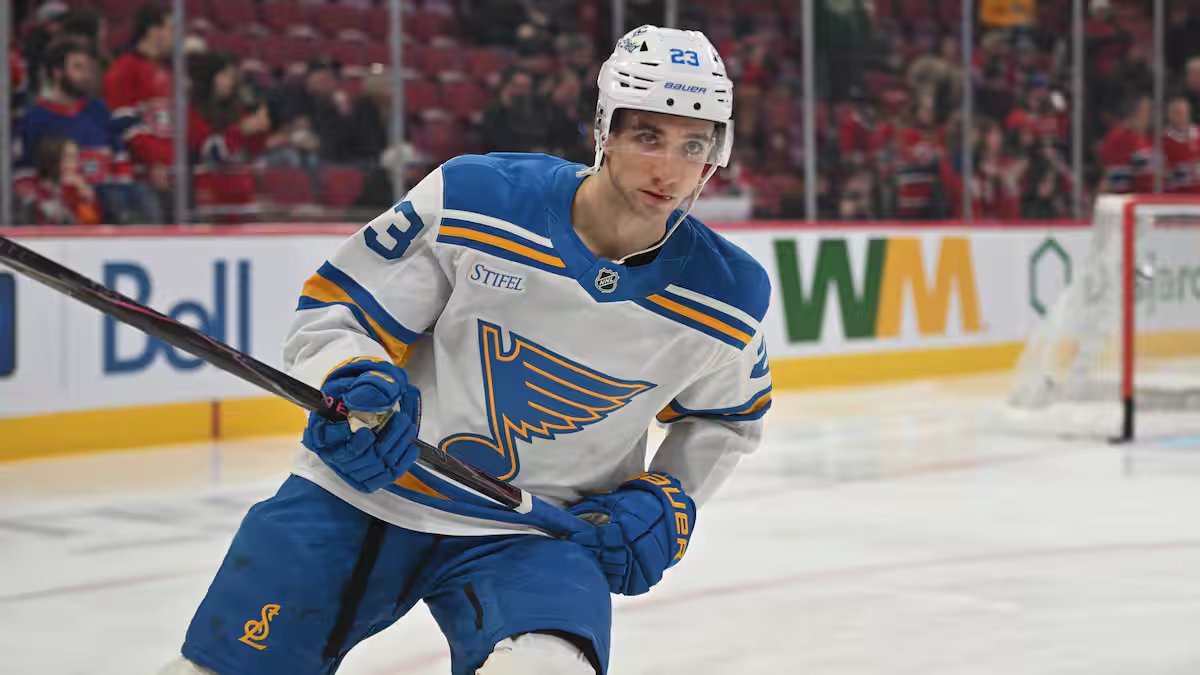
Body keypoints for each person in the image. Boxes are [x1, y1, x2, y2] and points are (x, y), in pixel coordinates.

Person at [158, 25, 771, 675]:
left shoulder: (727, 293)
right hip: (367, 491)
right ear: (605, 131)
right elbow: (340, 315)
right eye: (648, 135)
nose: (669, 169)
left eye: (693, 144)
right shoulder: (478, 198)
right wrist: (352, 377)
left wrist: (668, 495)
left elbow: (726, 418)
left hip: (535, 532)